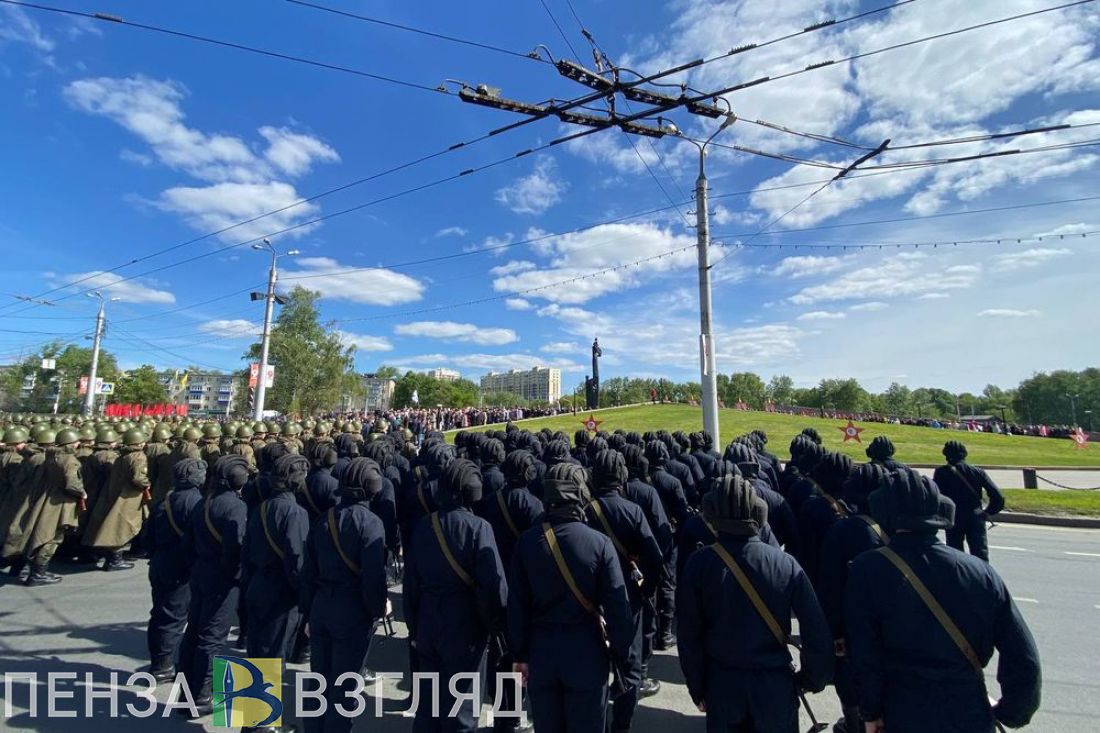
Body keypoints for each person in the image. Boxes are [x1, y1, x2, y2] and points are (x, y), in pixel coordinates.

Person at [845, 468, 1041, 733]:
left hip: (904, 709)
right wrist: (1012, 712)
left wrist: (871, 712)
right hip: (968, 709)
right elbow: (1023, 657)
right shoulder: (979, 570)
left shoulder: (866, 569)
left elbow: (865, 654)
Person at [677, 471, 833, 733]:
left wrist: (698, 686)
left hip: (723, 684)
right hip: (774, 685)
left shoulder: (699, 564)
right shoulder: (784, 564)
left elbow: (689, 635)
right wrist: (809, 680)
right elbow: (816, 632)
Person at [508, 462, 634, 733]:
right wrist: (622, 656)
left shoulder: (527, 542)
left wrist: (519, 653)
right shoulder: (599, 543)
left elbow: (516, 605)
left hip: (541, 650)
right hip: (585, 650)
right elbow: (618, 608)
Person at [404, 458, 508, 733]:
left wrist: (414, 628)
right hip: (465, 625)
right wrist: (496, 626)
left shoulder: (425, 525)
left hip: (428, 620)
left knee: (429, 708)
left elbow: (410, 583)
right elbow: (495, 586)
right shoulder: (478, 528)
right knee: (461, 712)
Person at [300, 456, 389, 733]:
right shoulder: (371, 523)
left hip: (321, 607)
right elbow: (373, 577)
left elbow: (308, 571)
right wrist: (378, 609)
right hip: (351, 610)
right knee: (345, 687)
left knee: (320, 681)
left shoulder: (323, 519)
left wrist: (307, 613)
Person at [584, 449, 664, 731]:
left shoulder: (585, 510)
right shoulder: (632, 511)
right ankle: (621, 726)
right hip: (628, 595)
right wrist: (646, 591)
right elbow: (655, 559)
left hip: (591, 599)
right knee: (628, 668)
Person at [817, 463, 889, 733]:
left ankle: (855, 720)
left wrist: (834, 632)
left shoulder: (842, 531)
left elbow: (830, 587)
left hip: (854, 624)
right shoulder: (898, 527)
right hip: (894, 623)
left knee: (851, 678)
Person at [177, 454, 250, 717]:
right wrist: (237, 576)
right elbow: (235, 548)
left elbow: (187, 545)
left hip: (201, 572)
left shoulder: (205, 502)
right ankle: (202, 695)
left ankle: (184, 692)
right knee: (213, 638)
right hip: (222, 579)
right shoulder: (235, 507)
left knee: (193, 631)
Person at [146, 458, 206, 682]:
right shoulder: (196, 503)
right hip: (181, 566)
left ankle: (160, 660)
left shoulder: (164, 500)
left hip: (161, 562)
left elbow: (147, 539)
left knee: (160, 614)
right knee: (173, 617)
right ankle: (163, 666)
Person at [18, 428, 86, 586]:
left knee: (43, 534)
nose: (78, 444)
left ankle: (36, 570)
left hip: (47, 499)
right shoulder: (70, 460)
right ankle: (38, 574)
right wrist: (82, 493)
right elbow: (72, 483)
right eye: (76, 441)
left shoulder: (51, 456)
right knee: (52, 538)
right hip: (60, 503)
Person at [82, 428, 151, 571]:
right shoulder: (138, 456)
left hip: (117, 493)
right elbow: (138, 478)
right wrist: (147, 484)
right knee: (122, 526)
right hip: (129, 496)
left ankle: (110, 557)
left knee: (115, 524)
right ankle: (115, 560)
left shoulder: (122, 456)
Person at [934, 440, 1004, 562]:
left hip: (953, 516)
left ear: (946, 455)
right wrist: (988, 512)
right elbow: (997, 496)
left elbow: (937, 496)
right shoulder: (977, 471)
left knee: (955, 556)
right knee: (980, 555)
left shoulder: (941, 473)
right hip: (975, 515)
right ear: (964, 454)